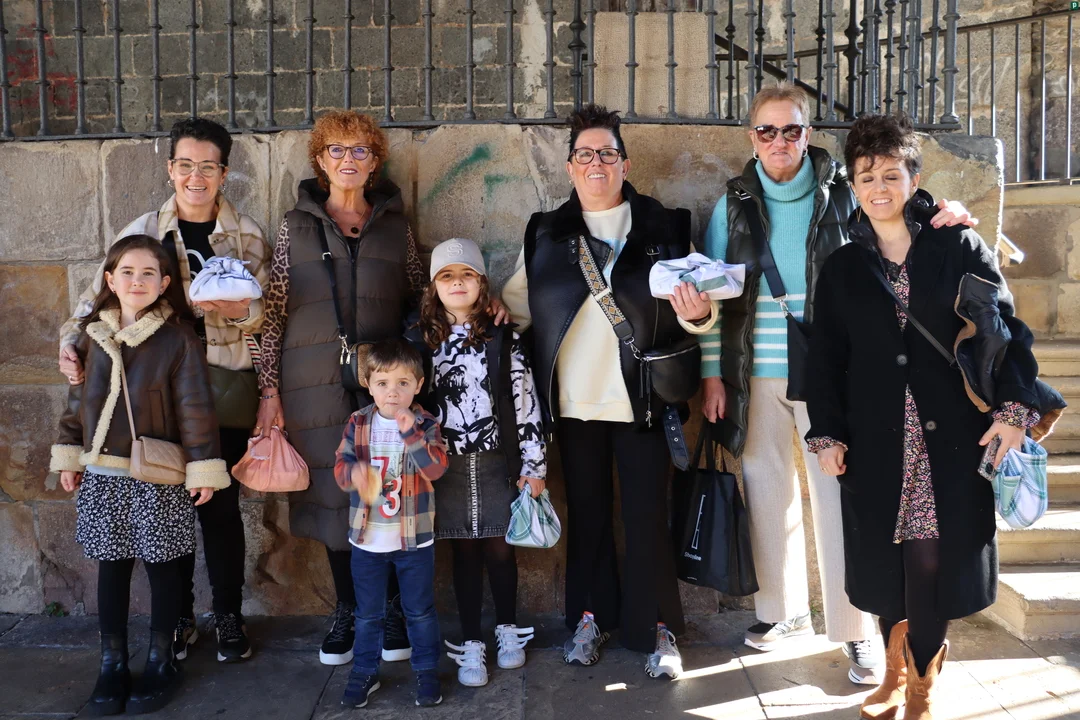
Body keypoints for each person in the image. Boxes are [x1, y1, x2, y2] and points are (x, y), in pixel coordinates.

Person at [686, 83, 976, 684]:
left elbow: (900, 219)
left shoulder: (844, 189)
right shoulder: (732, 204)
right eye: (767, 131)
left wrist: (949, 214)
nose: (779, 141)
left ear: (808, 134)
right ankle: (781, 611)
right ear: (752, 138)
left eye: (791, 129)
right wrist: (712, 373)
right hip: (754, 370)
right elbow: (712, 293)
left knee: (840, 497)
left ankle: (856, 628)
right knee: (767, 490)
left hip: (835, 372)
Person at [804, 112, 1046, 720]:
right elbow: (825, 358)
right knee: (886, 560)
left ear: (914, 178)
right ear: (853, 186)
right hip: (875, 437)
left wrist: (1014, 411)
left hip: (951, 435)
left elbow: (1005, 331)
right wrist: (826, 433)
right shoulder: (842, 267)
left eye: (891, 174)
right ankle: (893, 673)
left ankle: (921, 689)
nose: (879, 187)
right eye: (866, 177)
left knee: (930, 558)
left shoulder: (957, 245)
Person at [501, 104, 713, 679]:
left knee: (647, 518)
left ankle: (658, 628)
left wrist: (699, 313)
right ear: (570, 166)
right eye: (585, 154)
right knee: (589, 518)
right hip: (573, 406)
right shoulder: (545, 232)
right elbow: (517, 307)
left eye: (607, 153)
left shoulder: (664, 226)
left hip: (643, 401)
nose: (596, 163)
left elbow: (696, 311)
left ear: (625, 163)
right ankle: (589, 618)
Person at [58, 117, 270, 664]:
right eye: (185, 165)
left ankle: (228, 615)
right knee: (166, 511)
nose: (196, 176)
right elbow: (95, 299)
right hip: (152, 393)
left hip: (221, 388)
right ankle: (178, 619)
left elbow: (265, 315)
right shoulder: (145, 228)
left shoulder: (246, 233)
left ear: (224, 172)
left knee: (219, 509)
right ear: (170, 169)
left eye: (208, 166)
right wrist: (69, 344)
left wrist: (237, 312)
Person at [256, 110, 427, 666]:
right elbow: (273, 313)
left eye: (360, 150)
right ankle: (349, 611)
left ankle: (393, 610)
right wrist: (269, 391)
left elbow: (421, 300)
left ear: (375, 162)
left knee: (391, 491)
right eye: (336, 149)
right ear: (320, 160)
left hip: (385, 387)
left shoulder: (396, 227)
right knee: (336, 498)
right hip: (312, 384)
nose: (348, 159)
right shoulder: (295, 226)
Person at [50, 235, 232, 716]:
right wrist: (69, 454)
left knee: (162, 565)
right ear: (110, 280)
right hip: (103, 472)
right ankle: (111, 664)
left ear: (165, 283)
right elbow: (77, 403)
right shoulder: (90, 336)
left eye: (148, 273)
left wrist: (202, 466)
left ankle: (161, 659)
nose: (137, 281)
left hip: (157, 473)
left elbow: (195, 407)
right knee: (111, 567)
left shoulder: (177, 339)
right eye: (127, 272)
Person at [413, 238, 544, 688]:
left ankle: (507, 629)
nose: (457, 283)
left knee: (501, 547)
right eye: (447, 276)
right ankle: (471, 641)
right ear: (434, 286)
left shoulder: (504, 338)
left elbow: (525, 402)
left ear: (482, 283)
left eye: (467, 275)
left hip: (496, 460)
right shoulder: (420, 340)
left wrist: (534, 465)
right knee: (463, 551)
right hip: (444, 465)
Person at [333, 339, 449, 709]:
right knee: (368, 615)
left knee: (420, 612)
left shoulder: (426, 424)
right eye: (383, 383)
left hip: (414, 541)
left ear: (418, 384)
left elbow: (436, 469)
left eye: (402, 383)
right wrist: (353, 474)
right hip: (367, 541)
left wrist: (411, 433)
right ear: (368, 385)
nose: (392, 392)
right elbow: (340, 468)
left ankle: (427, 671)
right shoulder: (358, 422)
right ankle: (364, 672)